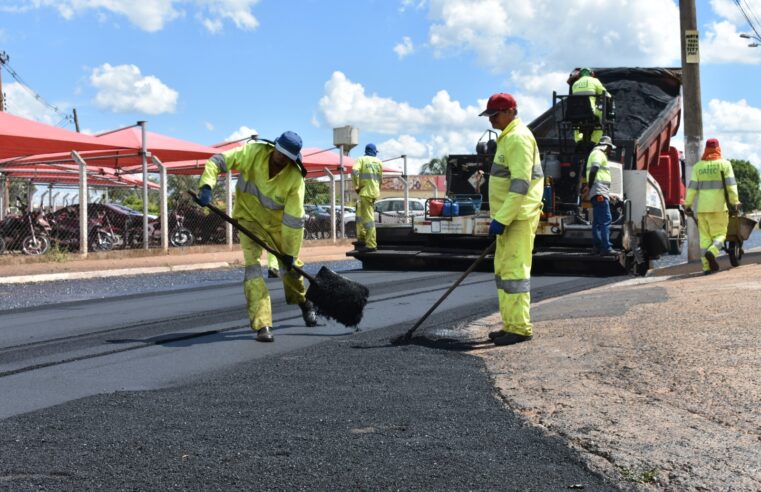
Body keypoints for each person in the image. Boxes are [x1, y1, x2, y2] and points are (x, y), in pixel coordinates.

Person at [196, 131, 317, 343]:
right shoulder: (253, 152)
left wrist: (289, 254)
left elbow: (294, 221)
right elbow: (218, 161)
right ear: (274, 147)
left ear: (293, 158)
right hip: (248, 220)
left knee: (291, 270)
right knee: (253, 269)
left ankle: (304, 302)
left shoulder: (295, 179)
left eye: (287, 158)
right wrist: (206, 185)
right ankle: (263, 325)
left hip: (278, 227)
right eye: (280, 154)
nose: (281, 160)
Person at [479, 93, 544, 346]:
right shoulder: (507, 138)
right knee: (505, 273)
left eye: (495, 115)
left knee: (516, 273)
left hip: (518, 216)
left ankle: (519, 328)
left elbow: (520, 184)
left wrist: (502, 219)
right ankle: (510, 324)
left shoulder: (518, 138)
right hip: (509, 218)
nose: (492, 120)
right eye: (490, 116)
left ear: (509, 112)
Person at [684, 138, 741, 274]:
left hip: (702, 209)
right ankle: (712, 252)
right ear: (718, 149)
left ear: (706, 150)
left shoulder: (698, 167)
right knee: (720, 235)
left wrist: (687, 205)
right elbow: (731, 186)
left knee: (704, 238)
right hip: (719, 208)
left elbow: (691, 189)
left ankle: (706, 267)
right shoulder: (725, 165)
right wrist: (735, 202)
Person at [585, 136, 616, 255]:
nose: (610, 151)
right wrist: (589, 186)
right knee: (606, 220)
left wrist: (608, 193)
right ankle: (606, 248)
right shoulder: (599, 153)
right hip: (599, 191)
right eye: (610, 148)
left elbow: (598, 176)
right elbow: (594, 170)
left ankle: (597, 246)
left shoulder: (594, 153)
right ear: (606, 146)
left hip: (599, 191)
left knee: (598, 221)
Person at [352, 143, 383, 252]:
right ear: (374, 151)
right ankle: (362, 236)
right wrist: (377, 188)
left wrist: (356, 185)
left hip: (365, 192)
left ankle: (371, 244)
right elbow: (380, 179)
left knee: (368, 219)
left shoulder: (361, 159)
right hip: (374, 192)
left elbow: (354, 171)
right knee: (362, 214)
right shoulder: (378, 162)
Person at [571, 67, 607, 144]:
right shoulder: (594, 81)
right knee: (602, 115)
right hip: (590, 111)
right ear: (591, 74)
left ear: (580, 75)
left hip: (574, 112)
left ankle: (578, 139)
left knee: (576, 123)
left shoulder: (575, 84)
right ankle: (594, 140)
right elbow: (604, 93)